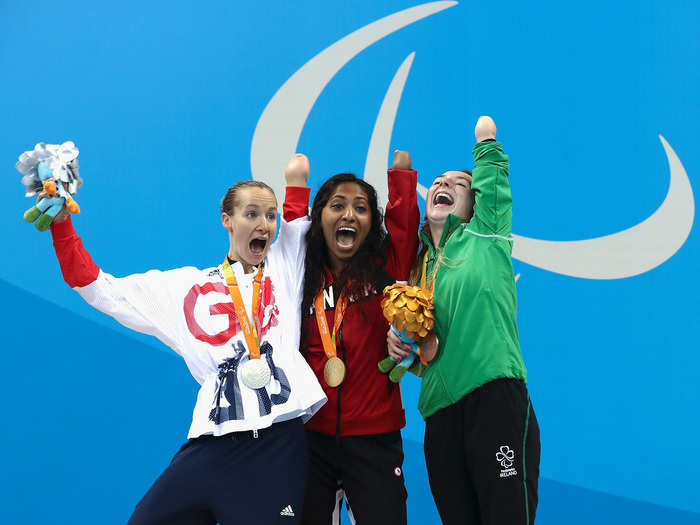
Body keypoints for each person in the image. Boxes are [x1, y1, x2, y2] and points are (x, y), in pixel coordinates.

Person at [39, 153, 326, 524]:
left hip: (275, 447)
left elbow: (294, 212)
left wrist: (296, 181)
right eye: (251, 214)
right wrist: (62, 226)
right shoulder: (186, 287)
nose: (264, 224)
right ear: (227, 220)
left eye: (270, 216)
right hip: (211, 444)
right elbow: (96, 287)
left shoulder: (284, 267)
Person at [388, 116, 541, 524]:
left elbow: (493, 187)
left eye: (456, 184)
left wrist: (486, 146)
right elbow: (426, 352)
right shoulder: (420, 270)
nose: (441, 185)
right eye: (436, 182)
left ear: (474, 202)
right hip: (439, 417)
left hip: (494, 400)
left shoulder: (485, 235)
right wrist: (403, 347)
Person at [283, 151, 420, 524]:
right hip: (311, 436)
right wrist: (295, 187)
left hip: (375, 436)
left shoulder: (384, 269)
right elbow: (291, 234)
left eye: (361, 208)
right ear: (318, 219)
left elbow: (406, 231)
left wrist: (402, 179)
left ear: (372, 221)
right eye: (337, 205)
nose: (348, 215)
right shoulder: (300, 275)